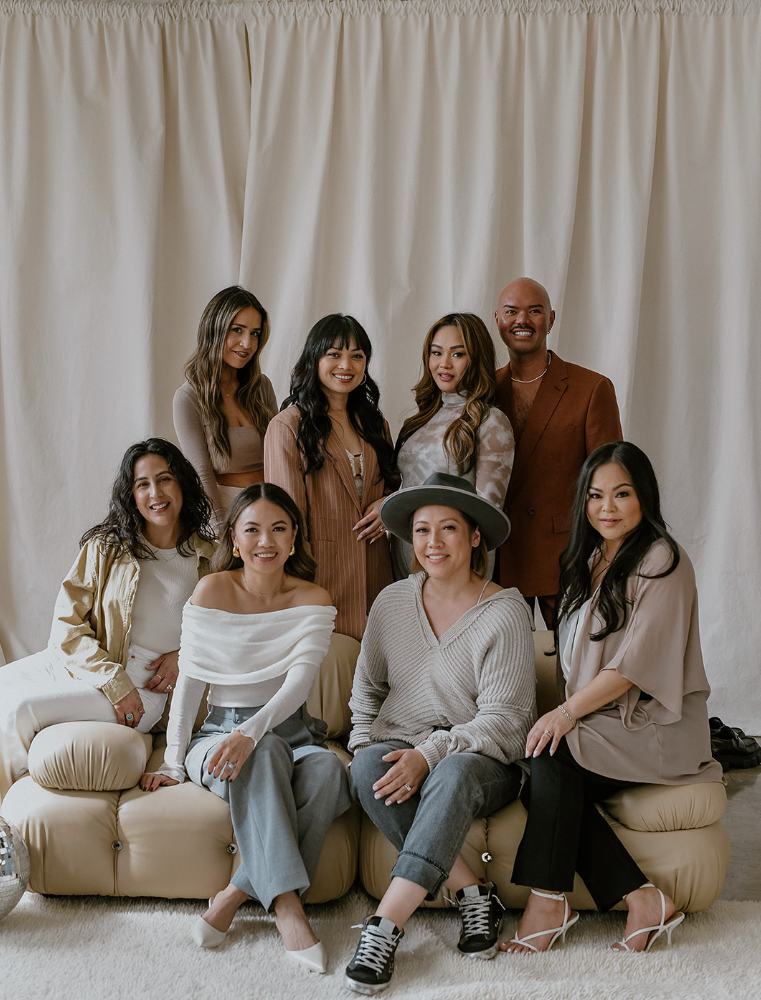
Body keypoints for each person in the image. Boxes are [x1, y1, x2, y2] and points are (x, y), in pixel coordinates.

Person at [502, 442, 722, 956]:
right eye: (595, 495)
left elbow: (632, 666)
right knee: (544, 783)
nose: (607, 508)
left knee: (551, 755)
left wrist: (564, 713)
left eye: (622, 494)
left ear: (644, 495)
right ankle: (644, 899)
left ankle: (547, 904)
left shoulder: (663, 559)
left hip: (652, 725)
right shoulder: (589, 557)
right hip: (604, 722)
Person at [140, 483, 351, 973]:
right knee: (264, 751)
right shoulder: (212, 590)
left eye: (278, 528)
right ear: (234, 539)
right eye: (252, 529)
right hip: (218, 734)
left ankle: (234, 894)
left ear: (294, 537)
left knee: (326, 771)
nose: (265, 541)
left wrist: (251, 733)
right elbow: (190, 683)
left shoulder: (313, 598)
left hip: (291, 732)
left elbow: (297, 686)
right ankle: (288, 909)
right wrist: (174, 762)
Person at [344, 473, 536, 994]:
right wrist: (363, 744)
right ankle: (473, 894)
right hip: (404, 744)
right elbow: (366, 691)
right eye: (422, 530)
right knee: (366, 766)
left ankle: (384, 927)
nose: (433, 542)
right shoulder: (391, 602)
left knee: (452, 772)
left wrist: (429, 754)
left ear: (474, 536)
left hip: (483, 762)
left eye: (448, 528)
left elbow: (506, 722)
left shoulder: (506, 611)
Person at [0, 439, 215, 801]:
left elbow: (231, 629)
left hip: (144, 689)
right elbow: (67, 627)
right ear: (132, 495)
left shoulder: (211, 558)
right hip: (88, 666)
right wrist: (113, 680)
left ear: (182, 483)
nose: (155, 493)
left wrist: (186, 656)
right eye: (143, 484)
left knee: (22, 712)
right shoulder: (106, 547)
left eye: (164, 479)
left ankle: (5, 817)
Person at [494, 277, 622, 626]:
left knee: (577, 659)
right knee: (504, 660)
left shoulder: (591, 388)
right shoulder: (483, 389)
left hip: (568, 559)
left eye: (534, 311)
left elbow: (610, 484)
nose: (522, 320)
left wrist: (608, 558)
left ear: (551, 319)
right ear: (498, 320)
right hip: (498, 559)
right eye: (512, 311)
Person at [264, 314, 397, 643]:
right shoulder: (287, 426)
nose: (346, 365)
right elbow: (285, 520)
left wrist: (388, 504)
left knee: (375, 667)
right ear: (315, 358)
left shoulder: (375, 424)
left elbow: (394, 484)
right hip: (321, 575)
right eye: (334, 354)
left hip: (376, 572)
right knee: (330, 666)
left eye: (357, 355)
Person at [391, 313, 515, 579]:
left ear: (476, 359)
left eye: (458, 354)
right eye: (436, 353)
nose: (444, 363)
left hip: (455, 564)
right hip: (405, 553)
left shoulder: (490, 421)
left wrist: (470, 583)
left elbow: (487, 514)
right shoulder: (418, 420)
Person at [174, 286, 277, 532]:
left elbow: (280, 455)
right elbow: (201, 474)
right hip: (227, 512)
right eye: (237, 330)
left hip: (272, 504)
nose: (247, 343)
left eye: (254, 333)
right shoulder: (188, 398)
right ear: (215, 328)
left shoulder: (261, 386)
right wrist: (220, 531)